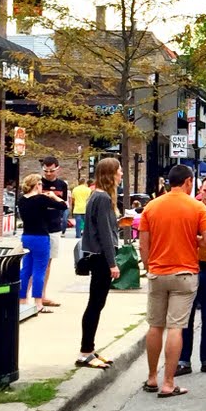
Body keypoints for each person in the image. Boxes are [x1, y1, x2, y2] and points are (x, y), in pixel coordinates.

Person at [137, 165, 206, 398]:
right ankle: (168, 382)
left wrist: (149, 266)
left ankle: (152, 377)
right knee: (176, 327)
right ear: (188, 182)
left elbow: (143, 243)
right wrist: (194, 238)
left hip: (158, 271)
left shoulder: (152, 206)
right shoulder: (197, 207)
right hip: (185, 273)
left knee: (155, 326)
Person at [75, 157, 123, 370]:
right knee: (95, 304)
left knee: (96, 303)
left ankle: (90, 349)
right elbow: (104, 233)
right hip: (101, 258)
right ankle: (85, 351)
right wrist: (112, 263)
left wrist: (117, 225)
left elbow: (101, 227)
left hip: (97, 256)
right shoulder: (103, 198)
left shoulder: (96, 195)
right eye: (119, 170)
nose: (121, 174)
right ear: (110, 174)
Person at [178, 173, 206, 376]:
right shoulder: (192, 208)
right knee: (186, 317)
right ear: (200, 189)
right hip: (189, 265)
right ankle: (183, 360)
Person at [15, 174, 55, 315]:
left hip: (26, 236)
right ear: (37, 185)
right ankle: (38, 303)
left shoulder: (21, 200)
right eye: (40, 184)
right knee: (39, 270)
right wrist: (53, 196)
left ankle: (22, 300)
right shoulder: (41, 199)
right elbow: (63, 205)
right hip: (41, 237)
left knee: (26, 269)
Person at [37, 156, 70, 310]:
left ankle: (42, 294)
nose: (48, 174)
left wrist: (55, 198)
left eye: (51, 171)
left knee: (48, 262)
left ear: (57, 169)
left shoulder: (62, 185)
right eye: (46, 171)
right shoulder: (38, 183)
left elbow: (64, 205)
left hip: (54, 226)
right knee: (35, 262)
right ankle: (27, 297)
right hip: (38, 227)